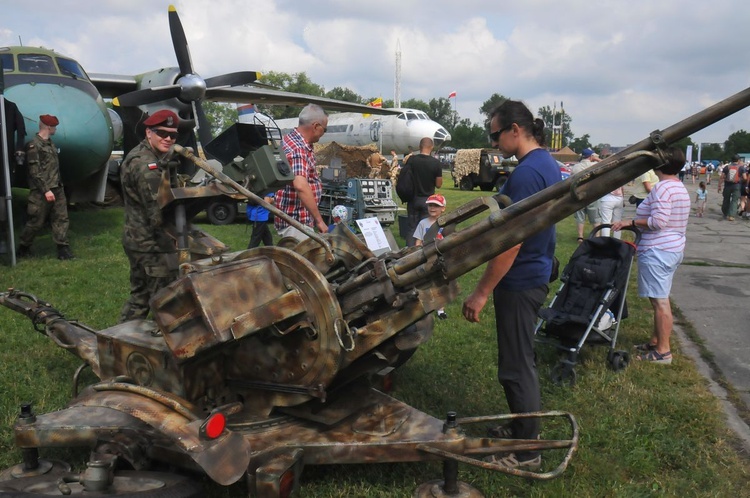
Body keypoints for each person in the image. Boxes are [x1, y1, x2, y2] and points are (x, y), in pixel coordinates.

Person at [461, 100, 560, 470]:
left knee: (516, 366)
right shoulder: (545, 164)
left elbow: (512, 241)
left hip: (520, 280)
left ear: (515, 131)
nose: (493, 140)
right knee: (522, 360)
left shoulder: (527, 174)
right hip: (534, 272)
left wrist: (481, 291)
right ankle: (523, 430)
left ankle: (527, 452)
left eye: (494, 133)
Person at [612, 146, 690, 364]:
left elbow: (658, 222)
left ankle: (663, 352)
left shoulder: (662, 188)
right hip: (672, 248)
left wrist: (631, 222)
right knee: (661, 297)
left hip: (658, 250)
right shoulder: (678, 187)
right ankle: (656, 341)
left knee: (660, 302)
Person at [119, 109, 181, 322]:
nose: (168, 139)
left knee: (141, 296)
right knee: (164, 301)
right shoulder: (145, 163)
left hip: (139, 239)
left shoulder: (154, 157)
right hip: (151, 243)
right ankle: (161, 346)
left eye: (173, 135)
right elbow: (158, 210)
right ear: (149, 133)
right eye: (162, 133)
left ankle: (118, 342)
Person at [17, 114, 74, 260]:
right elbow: (35, 172)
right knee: (36, 221)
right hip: (41, 191)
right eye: (54, 127)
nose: (55, 129)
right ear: (48, 127)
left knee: (61, 218)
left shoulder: (50, 144)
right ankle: (23, 247)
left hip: (57, 188)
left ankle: (63, 249)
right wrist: (46, 190)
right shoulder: (33, 145)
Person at [274, 104, 328, 242]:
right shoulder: (298, 149)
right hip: (297, 223)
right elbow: (300, 186)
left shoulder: (290, 139)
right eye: (324, 129)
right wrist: (319, 220)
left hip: (294, 220)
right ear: (316, 126)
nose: (323, 133)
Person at [413, 193, 448, 320]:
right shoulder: (423, 223)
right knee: (425, 283)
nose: (432, 208)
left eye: (436, 206)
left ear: (443, 208)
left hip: (441, 257)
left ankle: (440, 309)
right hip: (426, 256)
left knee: (440, 283)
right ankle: (423, 307)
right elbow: (418, 241)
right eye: (430, 205)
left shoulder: (446, 223)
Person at [404, 137, 443, 247]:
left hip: (413, 199)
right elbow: (439, 184)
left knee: (412, 229)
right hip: (428, 200)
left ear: (420, 147)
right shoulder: (436, 163)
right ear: (432, 147)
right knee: (426, 228)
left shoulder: (412, 160)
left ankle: (409, 254)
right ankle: (425, 253)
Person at [571, 148, 601, 242]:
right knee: (595, 217)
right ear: (591, 156)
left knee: (580, 216)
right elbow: (609, 164)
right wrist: (598, 159)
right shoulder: (595, 165)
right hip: (592, 193)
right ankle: (597, 236)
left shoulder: (576, 167)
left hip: (579, 193)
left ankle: (580, 236)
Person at [718, 154, 746, 221]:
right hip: (737, 185)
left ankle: (725, 212)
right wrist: (741, 180)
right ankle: (731, 216)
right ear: (738, 160)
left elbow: (722, 177)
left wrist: (719, 185)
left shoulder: (727, 167)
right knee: (734, 200)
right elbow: (745, 177)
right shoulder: (741, 167)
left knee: (726, 199)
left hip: (727, 185)